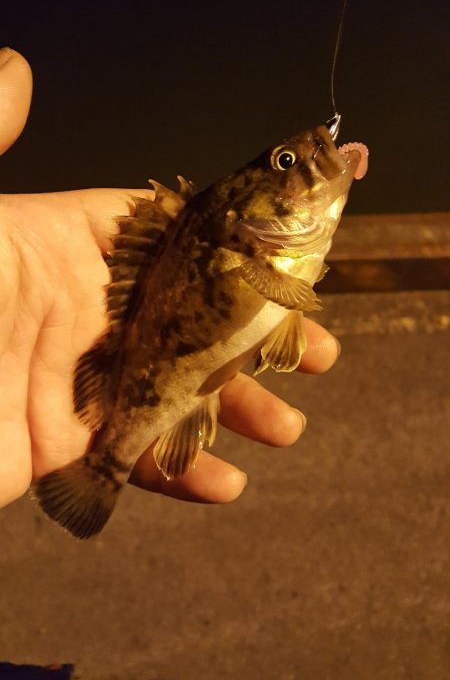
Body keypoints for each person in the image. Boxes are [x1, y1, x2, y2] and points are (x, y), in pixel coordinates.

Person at [0, 47, 341, 512]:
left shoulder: (258, 249)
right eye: (286, 163)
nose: (305, 159)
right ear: (239, 218)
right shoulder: (256, 255)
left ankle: (107, 467)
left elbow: (286, 300)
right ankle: (108, 466)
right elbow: (286, 293)